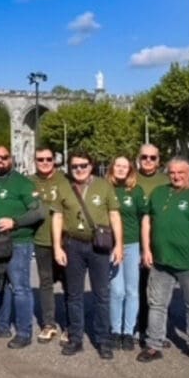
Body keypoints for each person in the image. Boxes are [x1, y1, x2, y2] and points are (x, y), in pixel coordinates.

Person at [54, 152, 122, 359]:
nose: (79, 169)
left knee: (101, 295)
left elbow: (114, 215)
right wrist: (57, 247)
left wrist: (119, 245)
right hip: (73, 244)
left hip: (98, 246)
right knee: (74, 294)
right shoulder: (64, 186)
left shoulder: (104, 186)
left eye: (83, 165)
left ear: (91, 166)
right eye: (74, 166)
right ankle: (76, 338)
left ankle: (103, 339)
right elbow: (57, 216)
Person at [0, 145, 45, 349]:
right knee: (0, 286)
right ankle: (1, 325)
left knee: (20, 288)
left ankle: (24, 332)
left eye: (4, 157)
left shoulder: (22, 183)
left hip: (18, 243)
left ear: (11, 159)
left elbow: (39, 212)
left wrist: (14, 222)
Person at [138, 158, 189, 363]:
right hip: (161, 260)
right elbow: (147, 221)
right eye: (172, 173)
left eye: (181, 172)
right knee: (157, 304)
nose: (176, 176)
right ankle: (153, 345)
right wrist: (146, 249)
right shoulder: (159, 193)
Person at [30, 147, 73, 343]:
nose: (45, 162)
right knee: (45, 283)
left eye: (48, 159)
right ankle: (49, 324)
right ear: (35, 161)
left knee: (69, 283)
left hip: (65, 241)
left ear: (54, 160)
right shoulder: (30, 182)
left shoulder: (65, 180)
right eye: (41, 160)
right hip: (41, 240)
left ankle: (71, 325)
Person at [108, 156, 147, 351]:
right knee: (117, 291)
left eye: (125, 166)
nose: (121, 169)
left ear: (130, 169)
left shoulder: (136, 191)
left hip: (132, 245)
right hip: (111, 246)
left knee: (132, 291)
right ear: (112, 167)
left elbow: (144, 219)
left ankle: (128, 332)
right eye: (118, 165)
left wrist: (144, 248)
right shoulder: (106, 188)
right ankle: (115, 330)